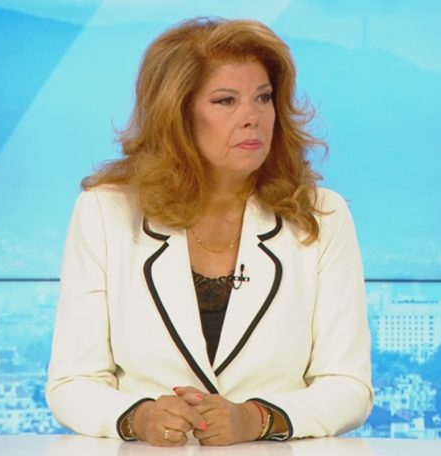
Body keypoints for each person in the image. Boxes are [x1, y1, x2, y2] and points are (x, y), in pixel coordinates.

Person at [45, 17, 372, 447]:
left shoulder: (322, 215)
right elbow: (73, 382)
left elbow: (348, 387)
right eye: (225, 101)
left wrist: (256, 419)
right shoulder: (105, 213)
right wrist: (139, 418)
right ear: (177, 114)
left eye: (263, 98)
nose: (252, 117)